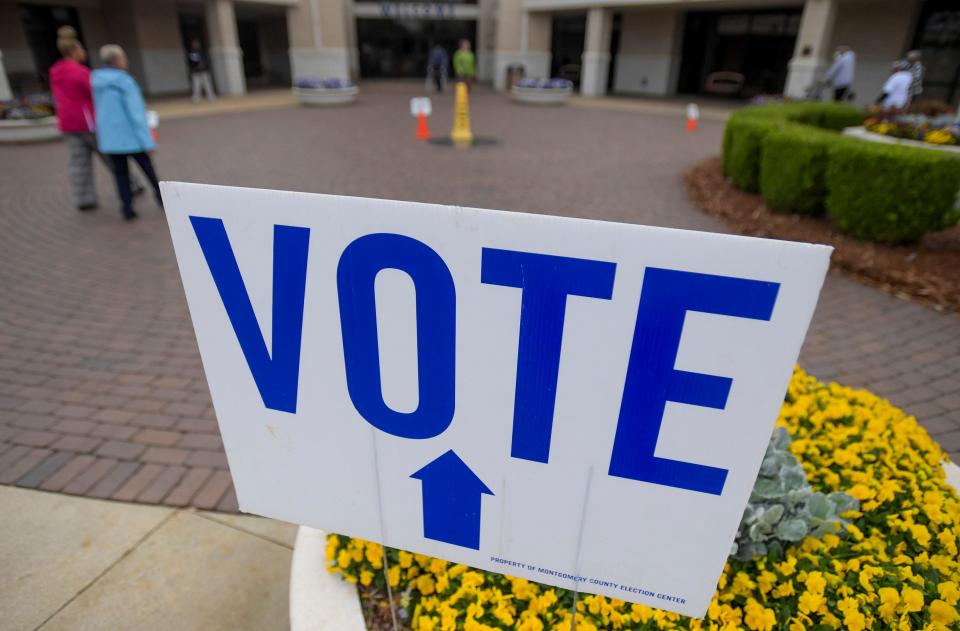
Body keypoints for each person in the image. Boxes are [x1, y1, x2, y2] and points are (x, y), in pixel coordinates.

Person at [49, 29, 141, 211]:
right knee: (112, 156)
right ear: (75, 50)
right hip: (88, 122)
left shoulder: (55, 71)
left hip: (68, 123)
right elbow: (95, 96)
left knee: (78, 162)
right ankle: (132, 184)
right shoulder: (81, 72)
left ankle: (84, 198)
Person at [91, 45, 163, 221]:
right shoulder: (125, 82)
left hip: (111, 139)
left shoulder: (95, 81)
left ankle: (126, 207)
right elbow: (136, 114)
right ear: (117, 60)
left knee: (121, 174)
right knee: (148, 170)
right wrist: (147, 142)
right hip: (132, 138)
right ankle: (162, 199)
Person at [187, 38, 216, 104]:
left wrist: (206, 67)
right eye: (194, 44)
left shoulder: (202, 52)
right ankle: (196, 98)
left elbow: (206, 61)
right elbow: (191, 62)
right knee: (196, 85)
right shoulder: (192, 52)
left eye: (196, 43)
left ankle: (211, 96)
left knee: (207, 84)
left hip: (204, 71)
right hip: (196, 72)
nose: (195, 45)